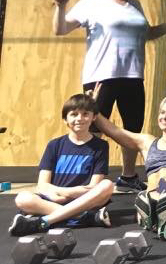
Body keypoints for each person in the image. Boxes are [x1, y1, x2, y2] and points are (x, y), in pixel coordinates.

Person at [52, 0, 166, 192]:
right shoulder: (92, 2)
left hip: (133, 75)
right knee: (93, 127)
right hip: (101, 76)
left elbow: (145, 33)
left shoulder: (135, 5)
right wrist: (61, 6)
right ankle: (87, 181)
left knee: (132, 128)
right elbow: (60, 29)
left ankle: (128, 177)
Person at [93, 94, 166, 240]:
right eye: (162, 112)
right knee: (147, 196)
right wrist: (93, 108)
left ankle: (161, 213)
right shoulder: (147, 142)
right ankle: (155, 215)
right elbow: (115, 132)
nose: (164, 117)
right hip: (156, 195)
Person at [10, 94, 114, 236]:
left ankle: (44, 221)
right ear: (65, 119)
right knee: (22, 198)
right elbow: (42, 185)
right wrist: (59, 194)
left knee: (107, 185)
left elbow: (93, 187)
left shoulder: (100, 146)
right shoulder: (54, 145)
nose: (79, 118)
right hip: (54, 199)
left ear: (94, 117)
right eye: (74, 114)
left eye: (85, 114)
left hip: (84, 200)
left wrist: (67, 193)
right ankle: (83, 218)